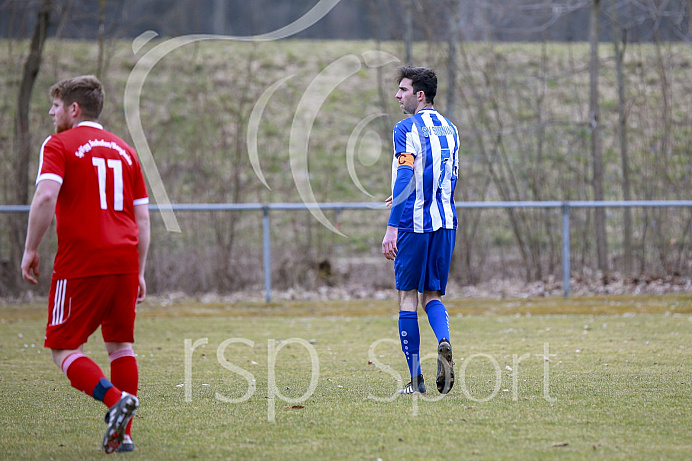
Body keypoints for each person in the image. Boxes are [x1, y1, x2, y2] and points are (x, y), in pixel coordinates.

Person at [21, 75, 150, 453]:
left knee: (63, 349)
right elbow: (143, 220)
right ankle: (124, 433)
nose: (51, 113)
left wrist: (30, 248)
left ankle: (115, 403)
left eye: (56, 106)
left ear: (74, 109)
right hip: (125, 259)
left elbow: (46, 197)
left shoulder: (59, 143)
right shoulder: (126, 150)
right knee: (120, 345)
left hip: (82, 260)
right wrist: (140, 270)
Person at [382, 66, 459, 395]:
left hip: (414, 223)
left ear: (420, 95)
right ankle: (443, 340)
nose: (398, 96)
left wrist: (391, 226)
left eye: (403, 90)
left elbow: (405, 173)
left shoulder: (405, 128)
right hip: (446, 222)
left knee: (407, 297)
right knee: (433, 296)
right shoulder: (450, 128)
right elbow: (447, 176)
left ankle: (416, 381)